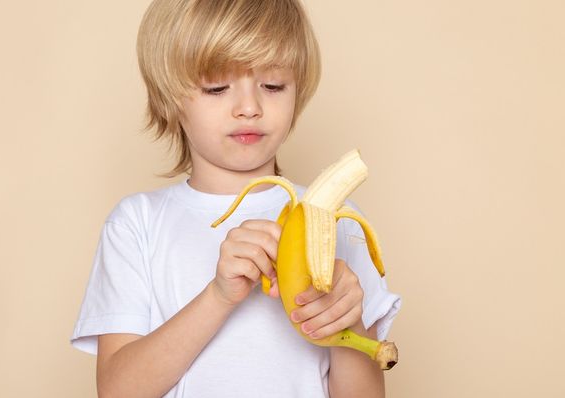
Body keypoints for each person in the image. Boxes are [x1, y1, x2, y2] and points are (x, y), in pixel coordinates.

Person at [70, 0, 402, 396]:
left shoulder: (338, 224)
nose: (250, 108)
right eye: (217, 87)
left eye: (273, 85)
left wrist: (346, 322)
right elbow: (117, 391)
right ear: (169, 99)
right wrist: (219, 296)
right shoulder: (137, 224)